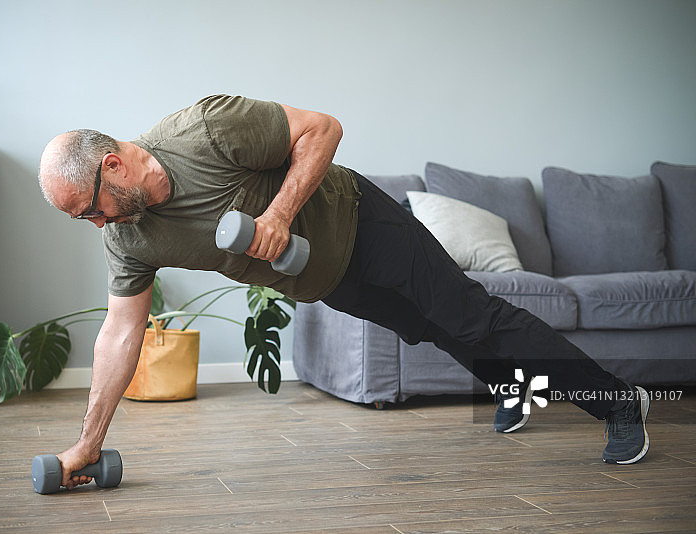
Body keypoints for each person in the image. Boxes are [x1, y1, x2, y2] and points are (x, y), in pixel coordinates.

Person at [38, 95, 650, 489]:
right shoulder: (128, 237)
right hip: (326, 278)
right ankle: (512, 385)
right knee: (434, 328)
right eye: (81, 219)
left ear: (113, 166)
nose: (96, 224)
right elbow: (120, 332)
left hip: (364, 221)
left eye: (90, 209)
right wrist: (89, 443)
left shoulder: (204, 130)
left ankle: (619, 403)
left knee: (472, 314)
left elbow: (322, 129)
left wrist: (279, 215)